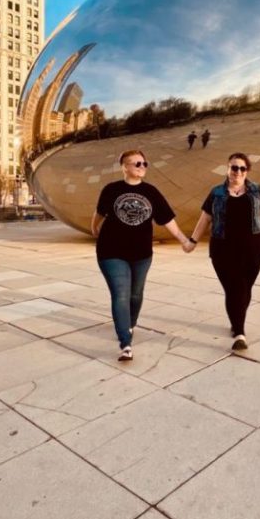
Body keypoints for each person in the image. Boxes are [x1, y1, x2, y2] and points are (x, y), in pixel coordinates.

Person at [92, 150, 194, 361]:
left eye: (144, 164)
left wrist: (184, 240)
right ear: (125, 167)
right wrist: (94, 228)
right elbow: (99, 213)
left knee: (135, 295)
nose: (141, 167)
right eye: (137, 163)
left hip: (141, 254)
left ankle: (129, 324)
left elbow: (167, 220)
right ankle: (125, 344)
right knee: (120, 294)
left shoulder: (151, 192)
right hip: (111, 251)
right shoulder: (111, 189)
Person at [189, 152, 260, 351]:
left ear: (247, 171)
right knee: (235, 288)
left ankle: (236, 323)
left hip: (253, 249)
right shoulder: (216, 192)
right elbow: (205, 218)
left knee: (245, 289)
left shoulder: (257, 191)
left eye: (242, 168)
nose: (237, 172)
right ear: (228, 169)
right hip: (223, 250)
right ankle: (240, 333)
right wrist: (192, 240)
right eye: (234, 167)